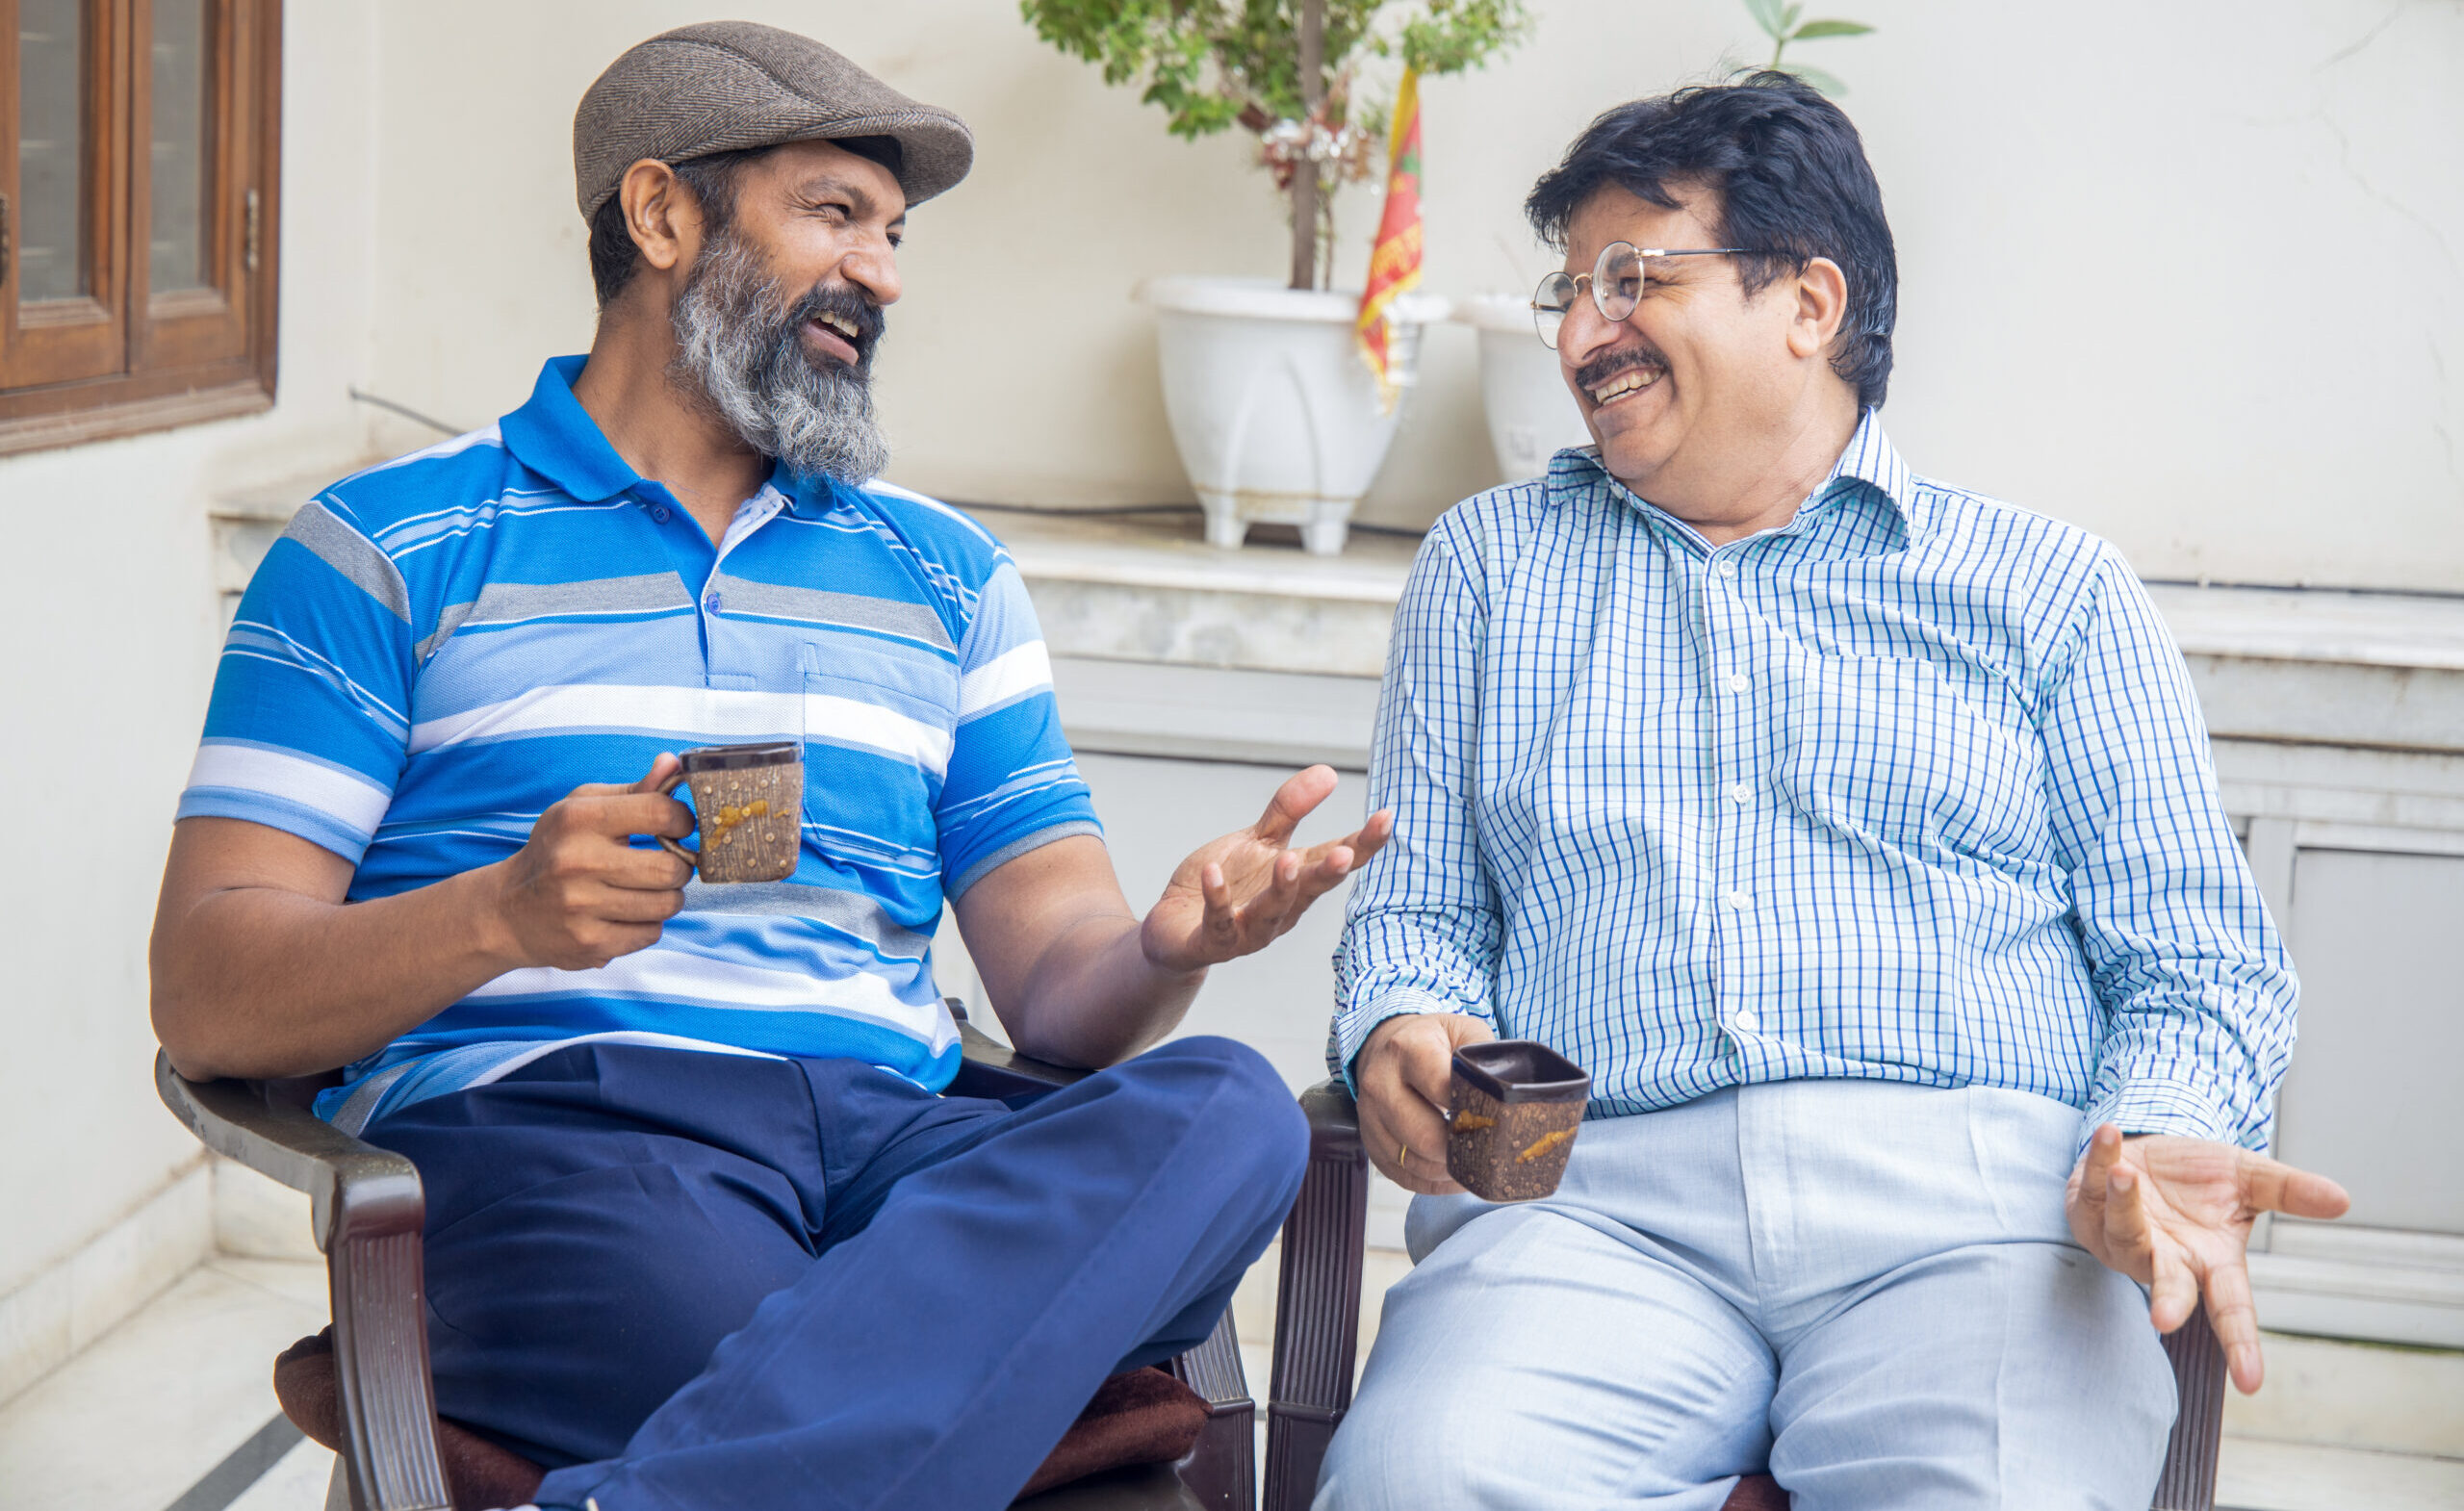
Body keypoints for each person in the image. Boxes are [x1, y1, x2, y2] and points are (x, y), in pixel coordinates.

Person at [149, 22, 1388, 1511]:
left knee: (1228, 1110)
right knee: (795, 1341)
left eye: (894, 233)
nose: (884, 274)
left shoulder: (947, 577)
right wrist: (500, 915)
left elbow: (1061, 989)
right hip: (559, 1130)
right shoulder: (382, 550)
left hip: (895, 1137)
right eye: (835, 214)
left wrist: (1165, 949)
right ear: (661, 214)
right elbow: (207, 990)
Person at [1319, 73, 2348, 1510]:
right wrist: (1399, 1020)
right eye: (1570, 291)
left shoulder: (2050, 593)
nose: (1580, 334)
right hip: (1590, 1212)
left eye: (1633, 280)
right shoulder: (1491, 567)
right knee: (1421, 1481)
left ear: (1808, 301)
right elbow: (1417, 911)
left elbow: (2199, 961)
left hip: (1981, 1228)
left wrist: (2155, 1134)